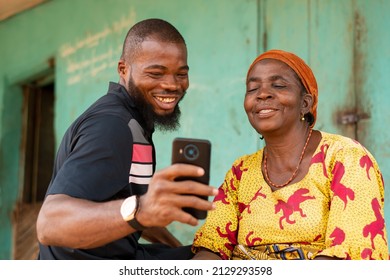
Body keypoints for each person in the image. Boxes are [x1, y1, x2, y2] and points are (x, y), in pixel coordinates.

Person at [36, 18, 217, 260]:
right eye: (156, 73)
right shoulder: (112, 126)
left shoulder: (136, 120)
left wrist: (177, 246)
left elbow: (126, 206)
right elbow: (50, 224)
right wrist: (142, 210)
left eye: (181, 74)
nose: (172, 85)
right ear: (123, 69)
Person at [191, 49, 389, 260]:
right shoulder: (241, 172)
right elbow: (212, 247)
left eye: (278, 85)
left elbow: (352, 253)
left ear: (305, 103)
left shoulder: (345, 158)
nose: (262, 94)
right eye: (252, 88)